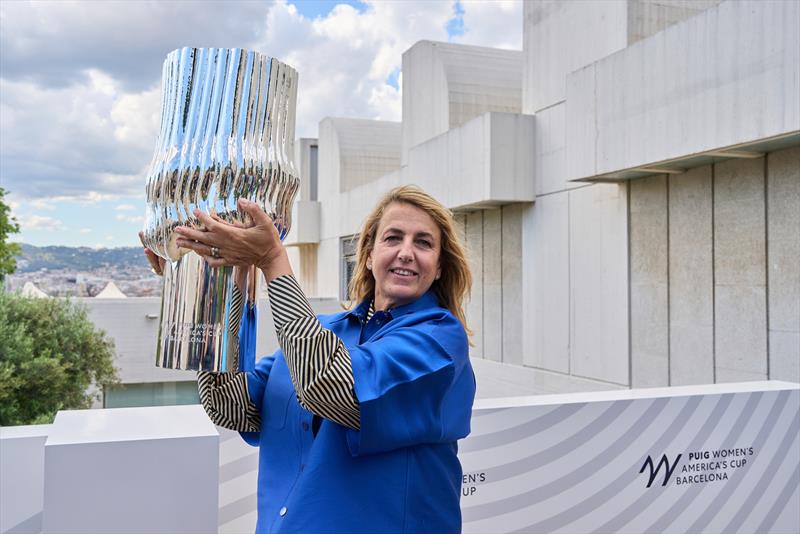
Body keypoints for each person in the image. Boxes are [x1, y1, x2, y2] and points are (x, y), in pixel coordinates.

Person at [144, 185, 476, 533]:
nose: (406, 252)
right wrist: (208, 275)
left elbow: (330, 386)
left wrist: (273, 259)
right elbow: (230, 405)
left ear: (439, 267)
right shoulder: (320, 332)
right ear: (368, 255)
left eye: (423, 242)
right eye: (393, 238)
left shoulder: (440, 340)